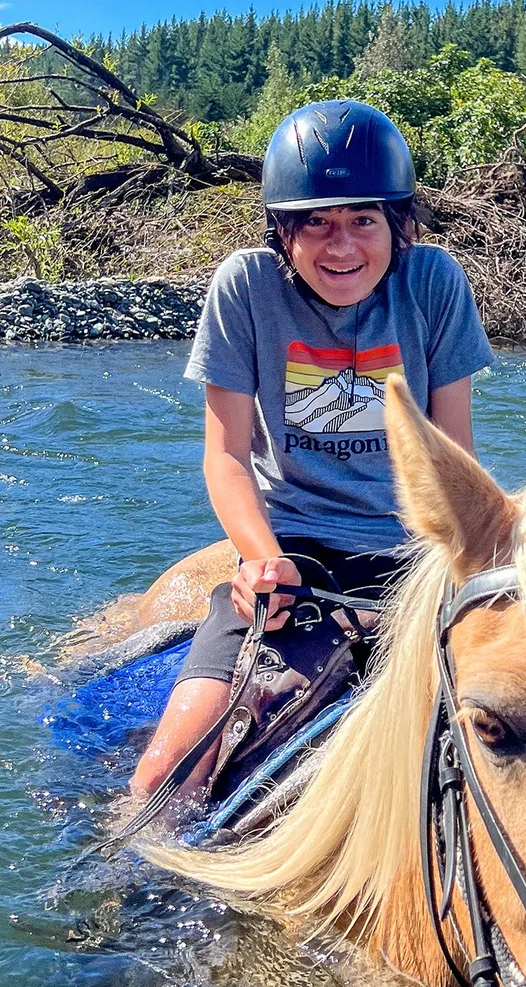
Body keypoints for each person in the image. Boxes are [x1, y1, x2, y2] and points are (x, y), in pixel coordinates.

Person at [130, 99, 493, 802]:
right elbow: (227, 456)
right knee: (161, 783)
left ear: (398, 224)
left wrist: (470, 563)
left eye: (364, 220)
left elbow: (453, 453)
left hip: (417, 556)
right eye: (316, 222)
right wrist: (261, 558)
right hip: (292, 553)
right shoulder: (245, 286)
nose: (342, 246)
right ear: (282, 231)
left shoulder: (435, 284)